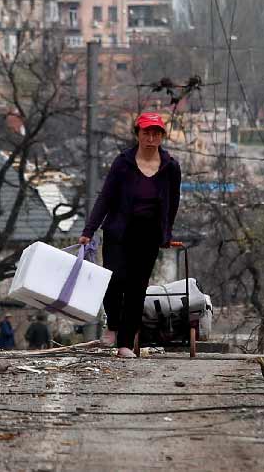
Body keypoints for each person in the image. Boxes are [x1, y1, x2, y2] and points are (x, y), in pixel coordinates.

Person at [79, 112, 181, 358]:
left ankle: (124, 343)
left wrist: (166, 234)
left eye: (156, 133)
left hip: (148, 235)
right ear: (137, 134)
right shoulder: (123, 162)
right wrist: (88, 230)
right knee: (114, 280)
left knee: (137, 289)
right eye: (146, 132)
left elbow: (173, 203)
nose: (150, 137)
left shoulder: (170, 167)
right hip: (118, 231)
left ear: (162, 137)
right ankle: (113, 323)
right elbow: (105, 197)